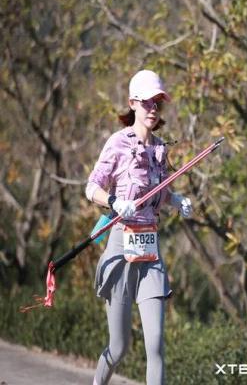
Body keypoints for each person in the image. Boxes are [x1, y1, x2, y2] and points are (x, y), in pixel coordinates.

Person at [85, 70, 192, 385]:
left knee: (155, 344)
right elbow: (91, 188)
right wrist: (114, 202)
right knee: (119, 347)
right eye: (147, 102)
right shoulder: (117, 143)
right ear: (133, 103)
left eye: (158, 102)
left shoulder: (160, 149)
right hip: (121, 246)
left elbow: (159, 192)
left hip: (150, 251)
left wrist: (177, 200)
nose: (153, 109)